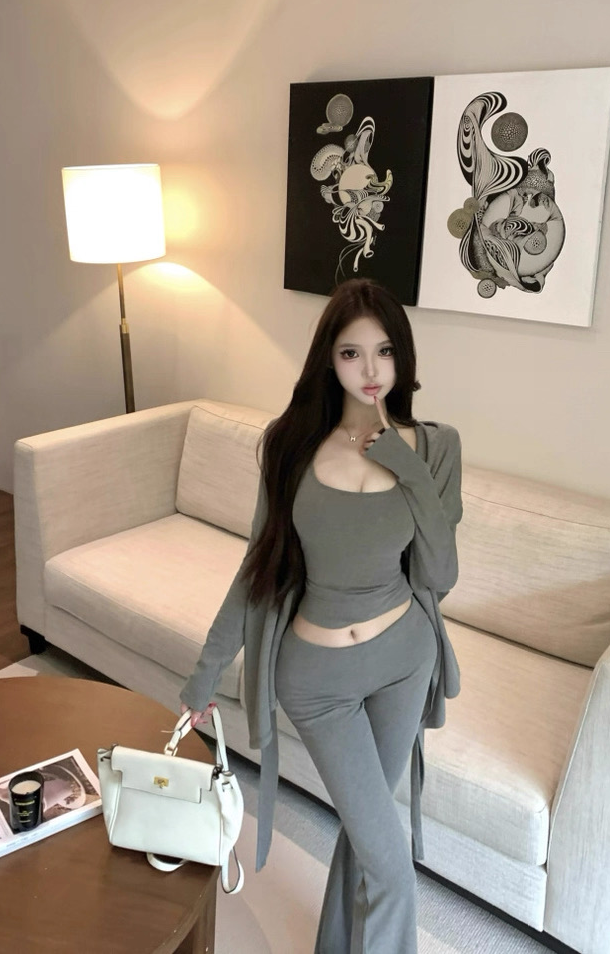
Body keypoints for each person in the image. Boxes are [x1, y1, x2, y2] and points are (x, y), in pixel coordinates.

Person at [180, 277, 463, 954]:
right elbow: (259, 569)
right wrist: (205, 673)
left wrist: (406, 468)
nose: (371, 371)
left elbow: (439, 575)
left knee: (371, 840)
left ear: (403, 356)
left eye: (385, 351)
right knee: (391, 868)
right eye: (351, 353)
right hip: (318, 680)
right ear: (328, 361)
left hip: (404, 660)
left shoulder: (435, 446)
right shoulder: (292, 445)